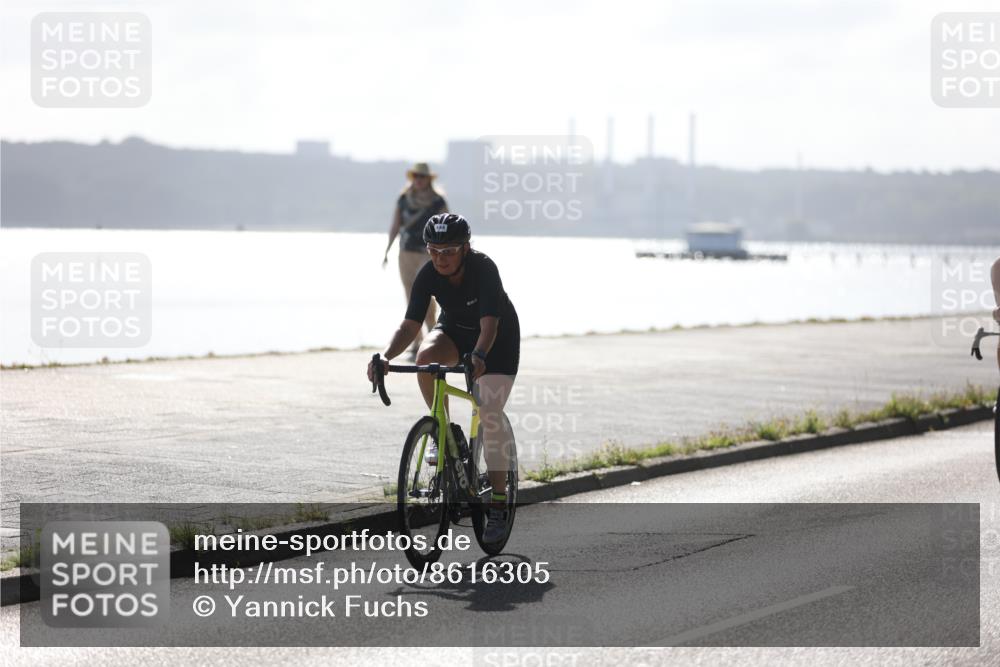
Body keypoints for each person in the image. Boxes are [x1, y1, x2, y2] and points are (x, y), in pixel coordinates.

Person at [368, 213, 519, 543]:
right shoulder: (428, 274)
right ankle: (443, 430)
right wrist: (386, 356)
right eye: (434, 251)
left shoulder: (484, 268)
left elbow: (490, 325)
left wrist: (479, 355)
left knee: (489, 413)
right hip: (455, 331)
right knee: (426, 359)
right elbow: (410, 324)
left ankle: (498, 503)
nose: (440, 258)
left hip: (496, 340)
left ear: (466, 248)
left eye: (449, 251)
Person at [383, 162, 448, 360]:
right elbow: (395, 225)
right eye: (416, 176)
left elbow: (447, 225)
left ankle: (433, 335)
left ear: (429, 179)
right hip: (406, 252)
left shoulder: (437, 201)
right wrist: (387, 250)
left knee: (426, 294)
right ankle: (416, 340)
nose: (418, 180)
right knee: (410, 295)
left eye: (422, 177)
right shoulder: (404, 199)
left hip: (429, 253)